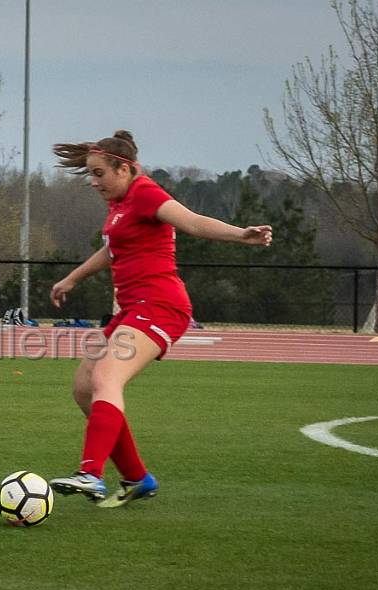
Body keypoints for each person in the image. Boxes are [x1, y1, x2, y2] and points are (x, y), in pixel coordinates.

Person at [46, 131, 272, 507]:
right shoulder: (119, 202)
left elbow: (194, 222)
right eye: (90, 173)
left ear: (125, 168)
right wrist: (72, 278)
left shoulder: (146, 193)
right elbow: (112, 251)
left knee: (107, 377)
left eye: (99, 173)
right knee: (85, 388)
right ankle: (137, 477)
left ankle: (91, 474)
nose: (93, 181)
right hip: (133, 308)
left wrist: (241, 235)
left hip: (161, 306)